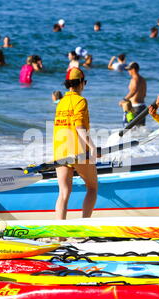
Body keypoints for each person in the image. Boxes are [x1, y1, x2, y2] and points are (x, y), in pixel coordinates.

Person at [53, 67, 98, 221]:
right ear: (80, 83)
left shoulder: (61, 103)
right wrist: (92, 147)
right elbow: (79, 126)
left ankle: (59, 235)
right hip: (78, 151)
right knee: (92, 188)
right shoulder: (81, 101)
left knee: (63, 193)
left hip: (60, 151)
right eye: (84, 82)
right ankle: (83, 227)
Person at [119, 62, 147, 126]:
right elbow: (144, 94)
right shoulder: (143, 79)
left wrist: (124, 100)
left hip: (135, 108)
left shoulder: (134, 79)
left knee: (130, 129)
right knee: (140, 129)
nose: (128, 71)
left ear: (133, 69)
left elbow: (133, 91)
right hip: (142, 107)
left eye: (129, 69)